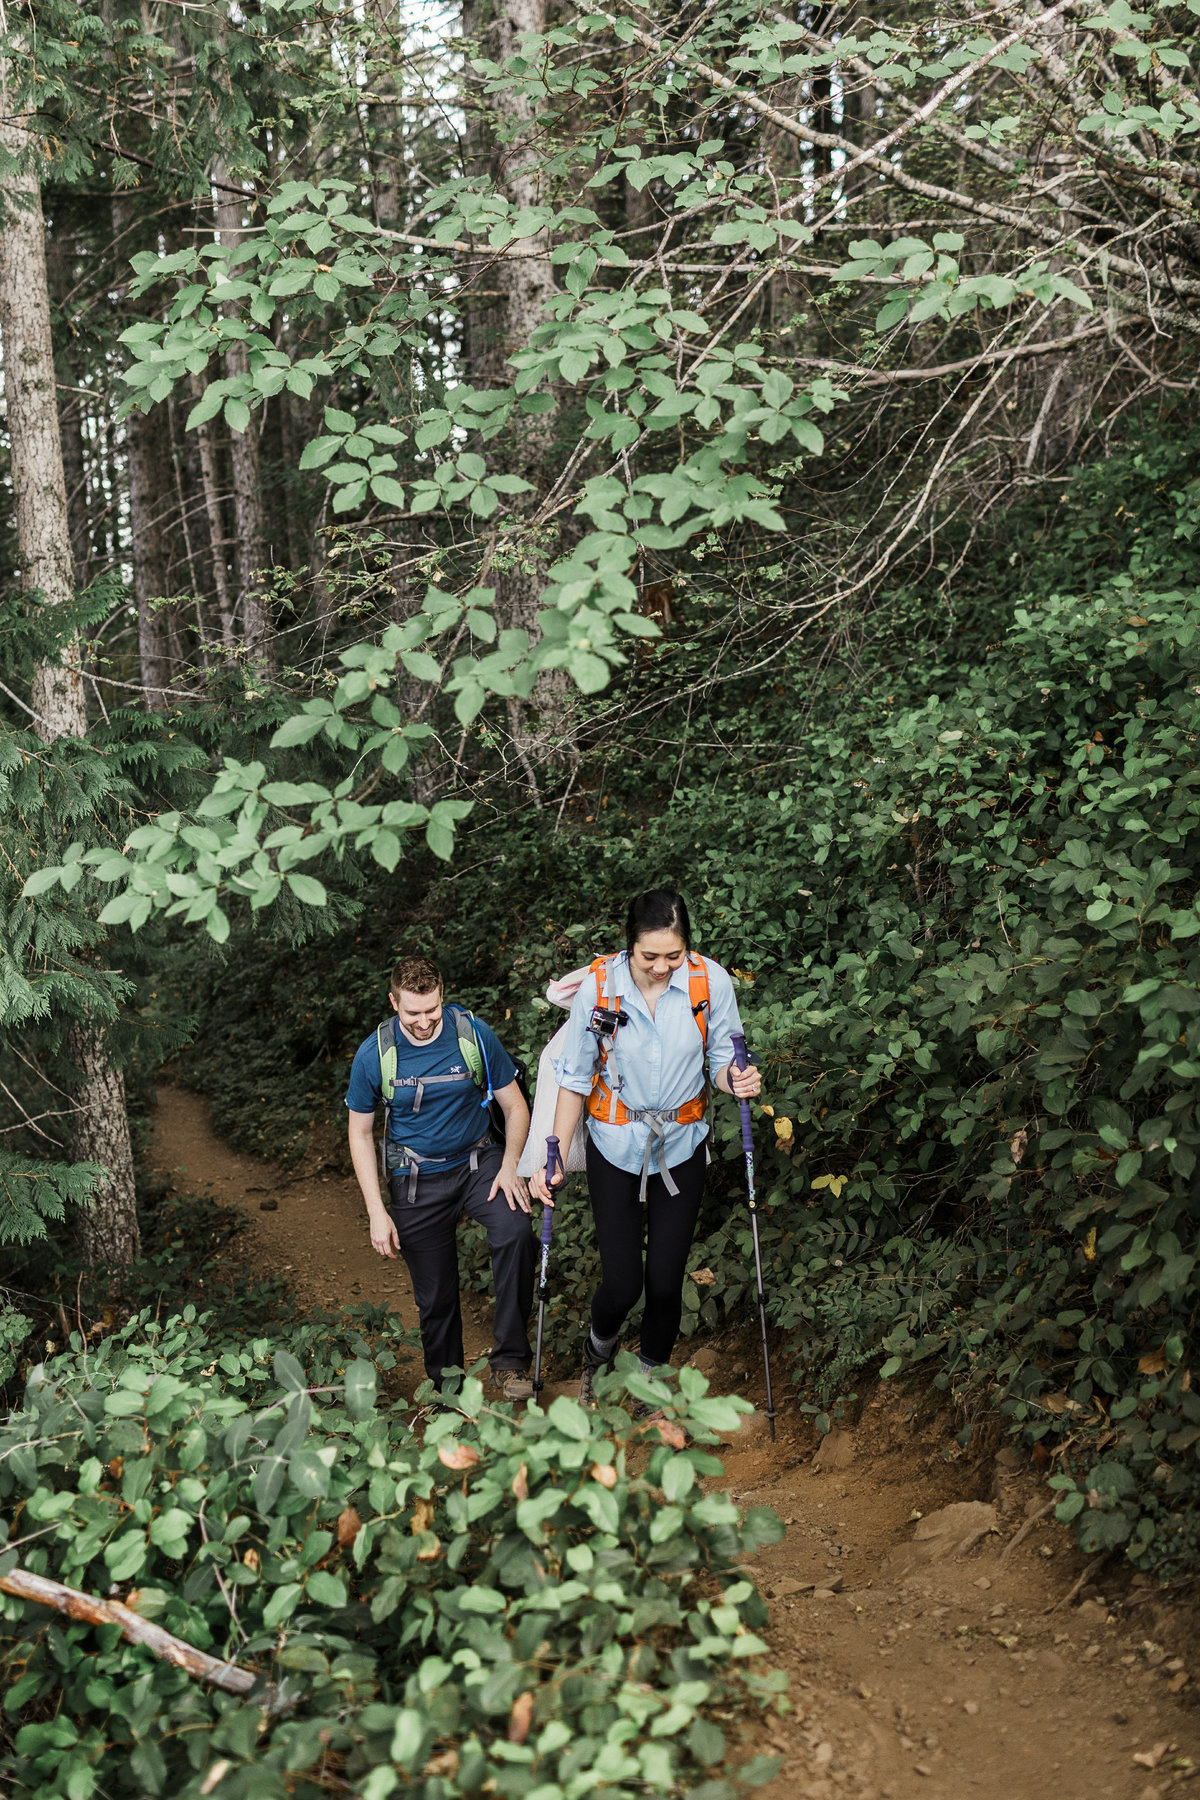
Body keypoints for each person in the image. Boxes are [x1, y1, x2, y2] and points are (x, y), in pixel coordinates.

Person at [530, 889, 761, 1406]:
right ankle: (598, 1350)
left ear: (688, 949)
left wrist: (737, 1079)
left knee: (663, 1281)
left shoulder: (709, 982)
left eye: (673, 956)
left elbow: (724, 1058)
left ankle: (651, 1381)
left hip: (681, 1144)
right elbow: (575, 1077)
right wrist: (554, 1155)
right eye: (649, 956)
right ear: (628, 945)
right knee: (623, 1284)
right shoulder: (599, 988)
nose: (661, 968)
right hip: (615, 1144)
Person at [346, 954, 534, 1402]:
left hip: (478, 1162)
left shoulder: (472, 1033)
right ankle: (448, 1390)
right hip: (415, 1178)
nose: (425, 1022)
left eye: (432, 1010)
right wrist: (376, 1211)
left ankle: (509, 1364)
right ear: (394, 1002)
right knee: (436, 1298)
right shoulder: (376, 1053)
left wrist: (510, 1165)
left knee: (516, 1233)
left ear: (442, 997)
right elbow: (360, 1130)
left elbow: (515, 1106)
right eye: (413, 1013)